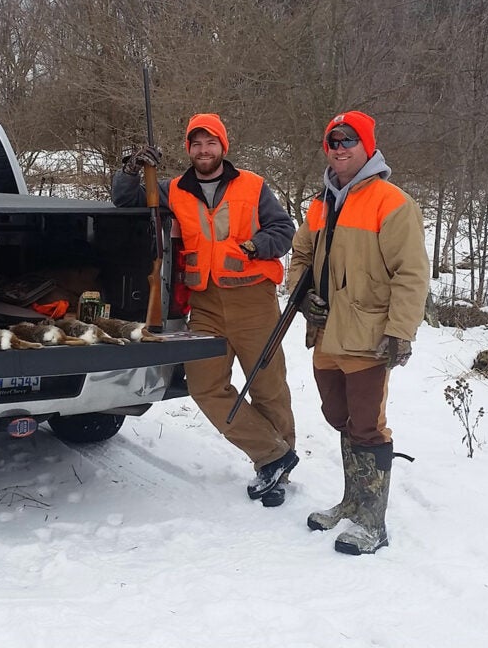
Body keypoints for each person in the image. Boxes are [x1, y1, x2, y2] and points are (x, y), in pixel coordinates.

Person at [113, 113, 299, 506]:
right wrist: (132, 168)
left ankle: (276, 467)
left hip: (253, 300)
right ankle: (274, 453)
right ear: (188, 150)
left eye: (210, 143)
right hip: (206, 305)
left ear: (222, 146)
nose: (203, 150)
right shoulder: (175, 189)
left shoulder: (253, 186)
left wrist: (256, 246)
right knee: (204, 386)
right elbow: (126, 198)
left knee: (269, 387)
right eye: (196, 144)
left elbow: (284, 230)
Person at [288, 110, 429, 555]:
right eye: (332, 140)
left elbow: (412, 273)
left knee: (367, 425)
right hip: (326, 331)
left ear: (367, 146)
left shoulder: (392, 202)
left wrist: (401, 330)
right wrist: (299, 294)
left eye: (349, 139)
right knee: (338, 416)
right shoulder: (320, 201)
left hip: (368, 333)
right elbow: (300, 256)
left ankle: (373, 523)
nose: (340, 147)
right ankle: (352, 502)